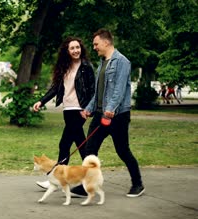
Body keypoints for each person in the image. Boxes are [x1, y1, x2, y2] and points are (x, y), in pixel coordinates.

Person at [75, 28, 145, 197]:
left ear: (106, 42)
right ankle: (87, 186)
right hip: (100, 115)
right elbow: (99, 93)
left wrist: (110, 109)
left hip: (117, 116)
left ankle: (138, 184)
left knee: (122, 150)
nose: (94, 47)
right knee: (89, 149)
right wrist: (89, 109)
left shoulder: (122, 62)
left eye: (96, 44)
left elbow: (119, 91)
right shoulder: (102, 63)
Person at [32, 36, 95, 189]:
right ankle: (91, 175)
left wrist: (89, 109)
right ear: (67, 51)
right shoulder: (64, 67)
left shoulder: (86, 66)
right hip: (67, 110)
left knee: (64, 144)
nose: (76, 50)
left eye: (78, 47)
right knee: (81, 143)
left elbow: (93, 90)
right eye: (72, 48)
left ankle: (56, 179)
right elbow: (55, 88)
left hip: (80, 111)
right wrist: (41, 101)